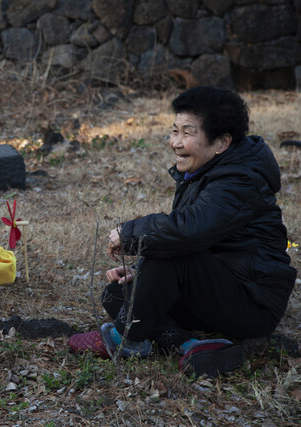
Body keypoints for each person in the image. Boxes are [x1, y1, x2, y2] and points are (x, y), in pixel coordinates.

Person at [68, 86, 297, 377]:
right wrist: (145, 275)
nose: (175, 142)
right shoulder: (206, 169)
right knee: (117, 294)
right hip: (218, 287)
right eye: (174, 130)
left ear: (221, 142)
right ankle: (192, 344)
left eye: (187, 133)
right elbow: (195, 241)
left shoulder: (240, 180)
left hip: (252, 302)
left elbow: (186, 232)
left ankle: (124, 339)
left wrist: (128, 234)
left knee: (166, 247)